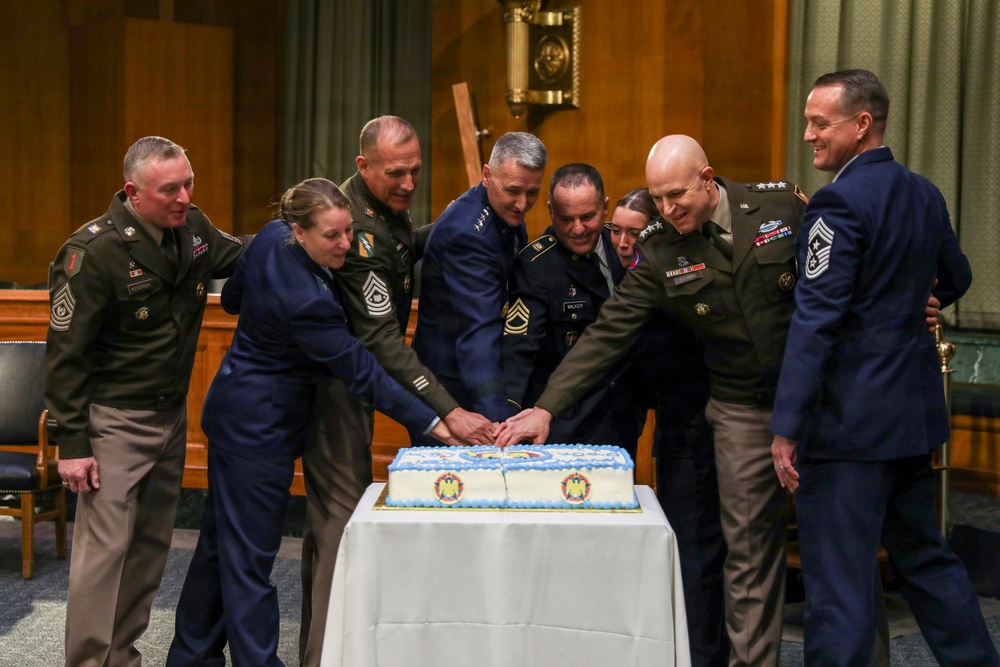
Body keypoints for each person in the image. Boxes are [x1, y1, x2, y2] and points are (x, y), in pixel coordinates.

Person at [498, 134, 808, 667]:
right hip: (740, 408)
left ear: (708, 179)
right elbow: (607, 333)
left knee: (842, 553)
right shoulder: (662, 247)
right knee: (748, 559)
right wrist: (546, 407)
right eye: (657, 199)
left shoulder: (783, 205)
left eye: (676, 196)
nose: (665, 210)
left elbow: (845, 270)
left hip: (816, 399)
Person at [167, 178, 455, 667]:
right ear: (299, 232)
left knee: (219, 546)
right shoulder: (309, 302)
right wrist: (434, 421)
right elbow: (362, 371)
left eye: (347, 231)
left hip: (235, 413)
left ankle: (191, 655)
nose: (345, 244)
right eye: (332, 236)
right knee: (252, 562)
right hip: (259, 431)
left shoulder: (267, 239)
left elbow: (234, 300)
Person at [769, 69, 1000, 667]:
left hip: (849, 429)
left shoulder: (837, 201)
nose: (809, 134)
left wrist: (786, 425)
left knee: (840, 588)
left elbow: (816, 320)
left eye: (820, 123)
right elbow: (958, 277)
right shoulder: (923, 192)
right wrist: (918, 302)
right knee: (927, 561)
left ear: (862, 124)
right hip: (911, 420)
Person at [45, 135, 251, 667]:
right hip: (112, 421)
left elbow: (244, 255)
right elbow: (66, 357)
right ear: (133, 192)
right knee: (103, 556)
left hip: (170, 416)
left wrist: (298, 233)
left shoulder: (193, 229)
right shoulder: (92, 253)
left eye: (188, 183)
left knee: (148, 550)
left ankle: (121, 656)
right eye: (169, 190)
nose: (184, 197)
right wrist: (72, 444)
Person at [299, 116, 494, 665]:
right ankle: (326, 656)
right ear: (363, 167)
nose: (409, 183)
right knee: (340, 530)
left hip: (353, 384)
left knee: (329, 529)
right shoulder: (355, 228)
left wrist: (459, 218)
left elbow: (405, 247)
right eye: (395, 174)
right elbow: (383, 338)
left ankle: (319, 650)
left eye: (414, 170)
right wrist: (447, 411)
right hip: (335, 390)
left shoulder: (384, 212)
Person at [609, 187, 730, 667]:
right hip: (642, 414)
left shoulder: (682, 267)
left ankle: (703, 656)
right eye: (614, 230)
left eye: (633, 233)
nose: (621, 242)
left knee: (697, 549)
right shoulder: (620, 270)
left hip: (693, 421)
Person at [411, 131, 547, 438]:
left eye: (533, 192)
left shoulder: (503, 211)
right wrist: (497, 416)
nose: (522, 204)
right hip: (452, 390)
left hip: (475, 375)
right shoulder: (469, 235)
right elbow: (477, 330)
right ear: (487, 175)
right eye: (513, 190)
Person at [501, 163, 643, 451]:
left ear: (604, 207)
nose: (578, 229)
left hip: (623, 411)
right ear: (551, 211)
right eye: (566, 219)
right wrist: (506, 417)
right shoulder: (537, 266)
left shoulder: (623, 242)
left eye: (588, 217)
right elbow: (518, 352)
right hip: (565, 420)